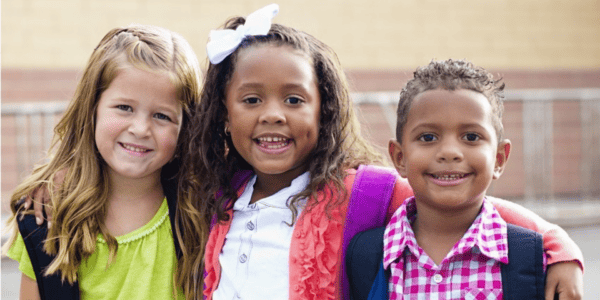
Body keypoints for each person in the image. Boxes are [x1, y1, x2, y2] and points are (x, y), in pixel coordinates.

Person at [180, 5, 583, 300]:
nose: (273, 115)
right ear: (223, 116)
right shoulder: (218, 196)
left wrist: (559, 245)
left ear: (325, 112)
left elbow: (480, 207)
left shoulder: (362, 192)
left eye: (293, 100)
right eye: (251, 100)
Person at [346, 59, 583, 300]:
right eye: (428, 137)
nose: (450, 151)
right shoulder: (366, 255)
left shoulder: (532, 258)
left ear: (499, 159)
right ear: (399, 157)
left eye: (471, 136)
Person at [2, 24, 203, 300]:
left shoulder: (202, 210)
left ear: (186, 128)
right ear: (92, 109)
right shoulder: (48, 217)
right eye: (124, 108)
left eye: (162, 116)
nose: (141, 129)